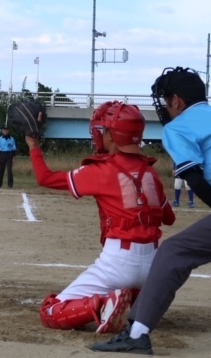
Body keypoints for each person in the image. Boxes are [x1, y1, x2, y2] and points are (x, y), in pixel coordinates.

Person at [92, 67, 211, 354]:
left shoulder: (178, 127)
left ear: (178, 101)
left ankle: (137, 333)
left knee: (174, 251)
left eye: (166, 99)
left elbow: (192, 176)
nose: (165, 106)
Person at [28, 101, 175, 334]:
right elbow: (169, 218)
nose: (99, 135)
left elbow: (44, 178)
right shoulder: (150, 172)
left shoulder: (100, 170)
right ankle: (137, 298)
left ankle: (101, 305)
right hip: (152, 266)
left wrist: (33, 145)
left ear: (113, 135)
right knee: (132, 284)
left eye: (103, 130)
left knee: (50, 311)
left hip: (119, 261)